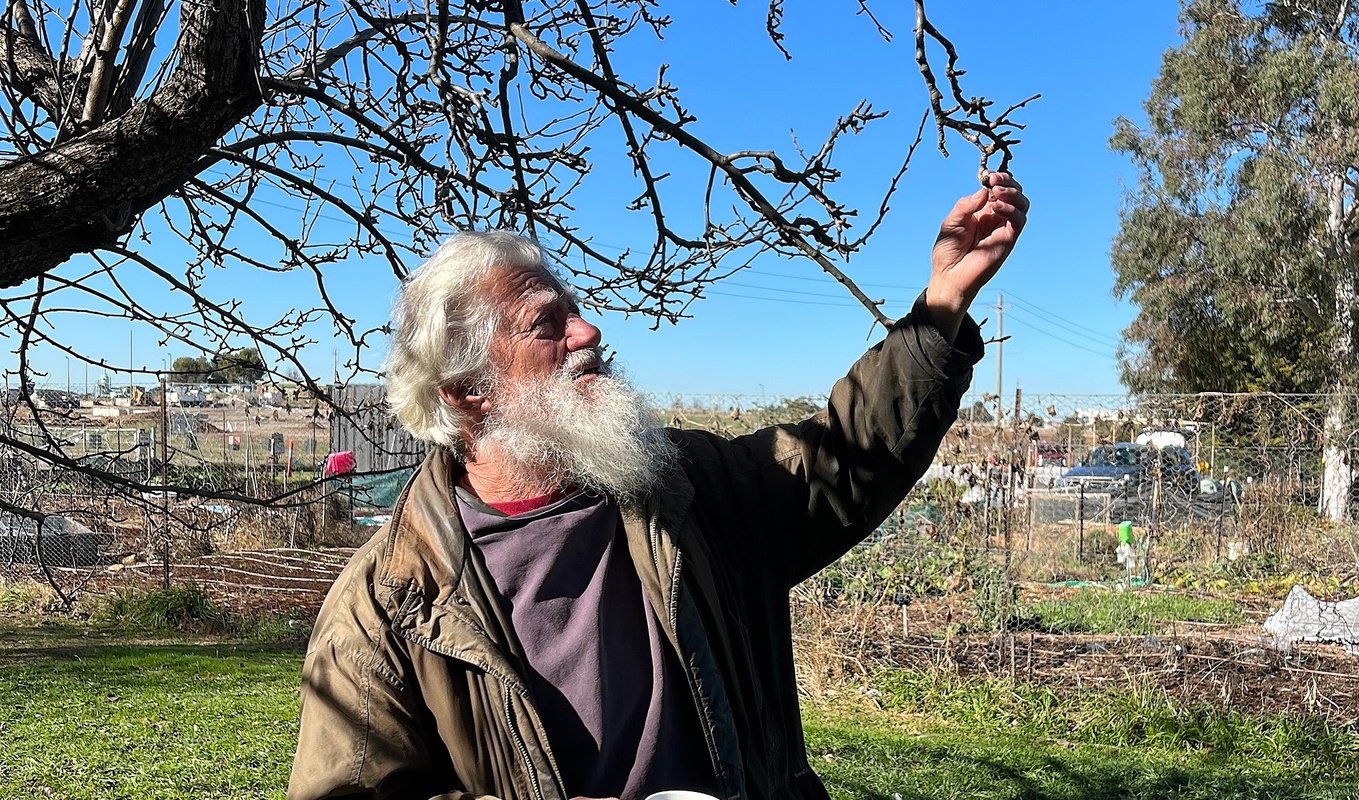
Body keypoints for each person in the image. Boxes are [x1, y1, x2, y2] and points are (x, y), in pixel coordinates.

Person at [288, 174, 1028, 800]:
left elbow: (842, 456)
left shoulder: (688, 487)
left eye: (575, 310)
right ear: (466, 390)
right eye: (549, 325)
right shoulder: (387, 605)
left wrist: (940, 307)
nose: (589, 332)